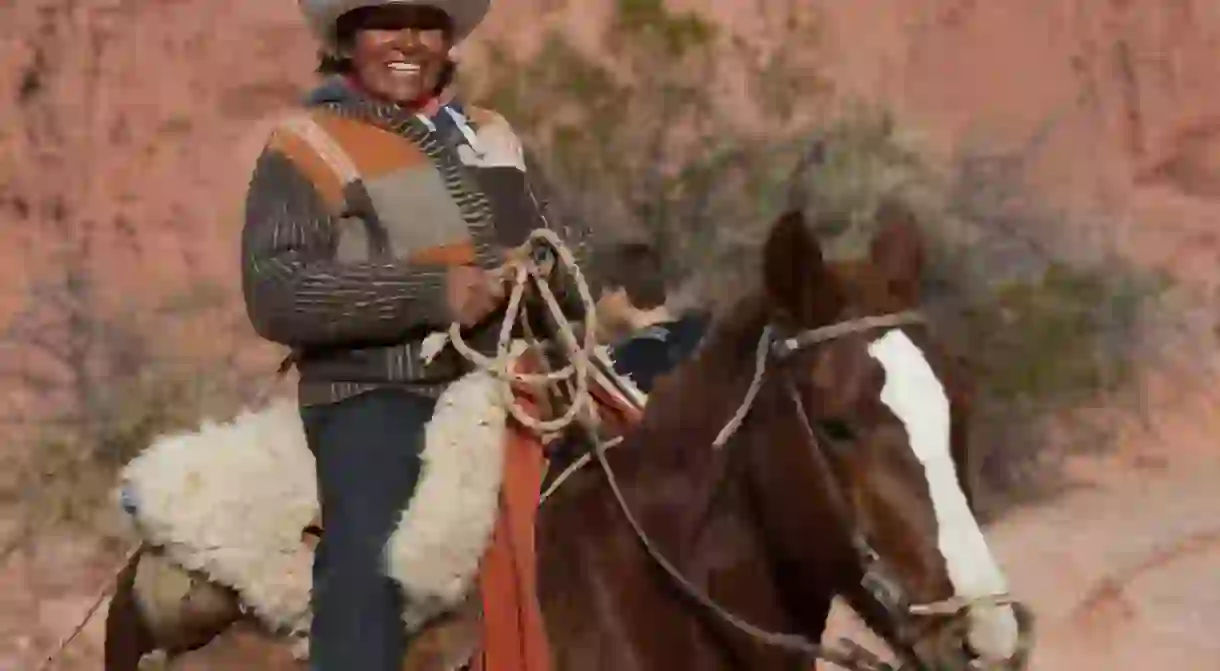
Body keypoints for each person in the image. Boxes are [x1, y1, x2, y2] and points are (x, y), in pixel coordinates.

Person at [239, 1, 590, 669]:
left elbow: (569, 261)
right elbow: (276, 288)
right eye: (384, 23)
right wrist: (437, 293)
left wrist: (547, 271)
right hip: (379, 390)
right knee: (369, 556)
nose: (408, 42)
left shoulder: (494, 137)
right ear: (346, 39)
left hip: (523, 381)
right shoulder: (307, 144)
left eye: (426, 23)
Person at [595, 241, 709, 393]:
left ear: (620, 292)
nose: (600, 300)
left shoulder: (631, 357)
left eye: (604, 290)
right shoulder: (700, 334)